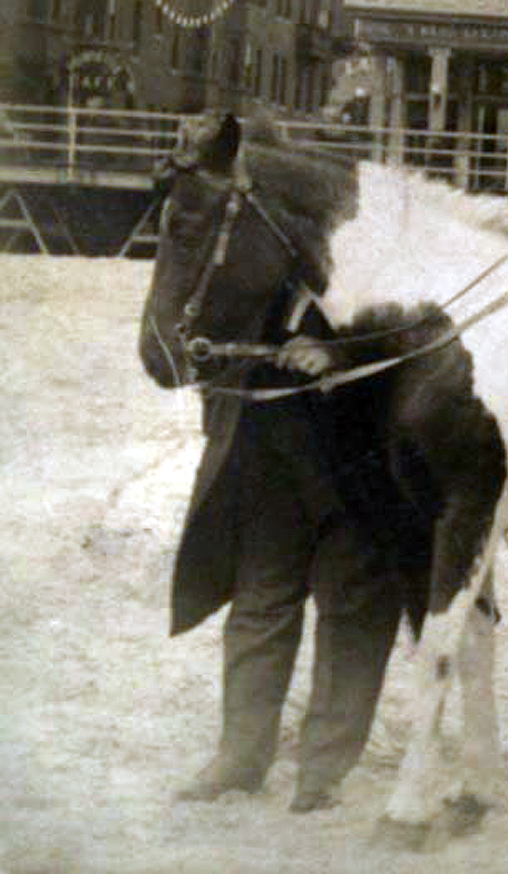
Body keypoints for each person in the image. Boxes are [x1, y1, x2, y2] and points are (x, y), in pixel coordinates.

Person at [172, 319, 402, 814]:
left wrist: (340, 350)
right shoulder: (244, 240)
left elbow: (427, 303)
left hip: (363, 446)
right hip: (267, 444)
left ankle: (324, 774)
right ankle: (240, 758)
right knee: (260, 599)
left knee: (354, 609)